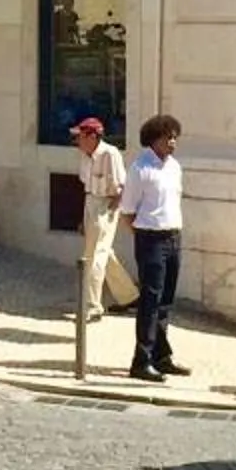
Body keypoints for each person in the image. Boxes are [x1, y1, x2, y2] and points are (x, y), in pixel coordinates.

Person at [119, 113, 188, 382]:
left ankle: (162, 356)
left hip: (173, 236)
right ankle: (141, 360)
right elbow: (127, 211)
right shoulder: (140, 168)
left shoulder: (174, 166)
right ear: (154, 139)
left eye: (175, 137)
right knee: (150, 300)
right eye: (168, 137)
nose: (172, 143)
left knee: (166, 301)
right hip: (151, 238)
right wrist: (142, 234)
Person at [71, 116, 132, 322]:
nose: (77, 141)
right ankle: (129, 296)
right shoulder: (85, 156)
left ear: (92, 136)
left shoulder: (110, 153)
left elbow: (121, 187)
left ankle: (93, 306)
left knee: (96, 255)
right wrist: (84, 218)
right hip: (91, 202)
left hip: (106, 204)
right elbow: (86, 188)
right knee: (103, 252)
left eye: (80, 136)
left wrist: (110, 212)